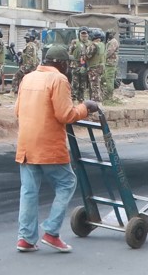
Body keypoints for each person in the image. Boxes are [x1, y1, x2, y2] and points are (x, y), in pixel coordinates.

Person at [14, 44, 99, 252]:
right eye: (67, 63)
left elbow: (17, 110)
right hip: (48, 145)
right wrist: (85, 108)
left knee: (28, 191)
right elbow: (66, 115)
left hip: (26, 144)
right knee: (67, 182)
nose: (68, 67)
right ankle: (51, 232)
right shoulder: (59, 79)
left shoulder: (28, 77)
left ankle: (25, 238)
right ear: (60, 63)